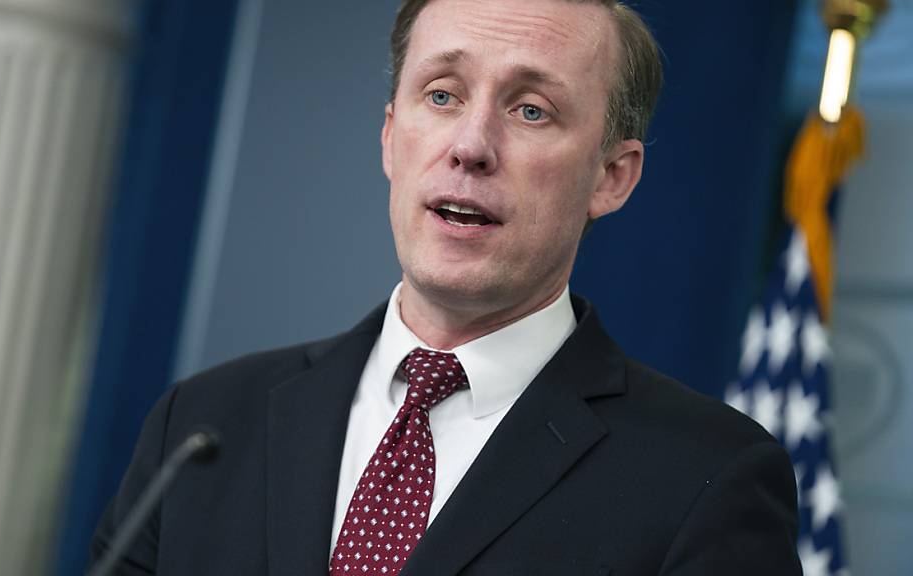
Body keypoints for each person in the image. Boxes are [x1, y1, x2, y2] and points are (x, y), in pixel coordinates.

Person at [91, 0, 802, 574]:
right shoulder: (203, 424)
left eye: (531, 110)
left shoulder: (708, 478)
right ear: (391, 136)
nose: (470, 145)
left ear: (612, 177)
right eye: (442, 94)